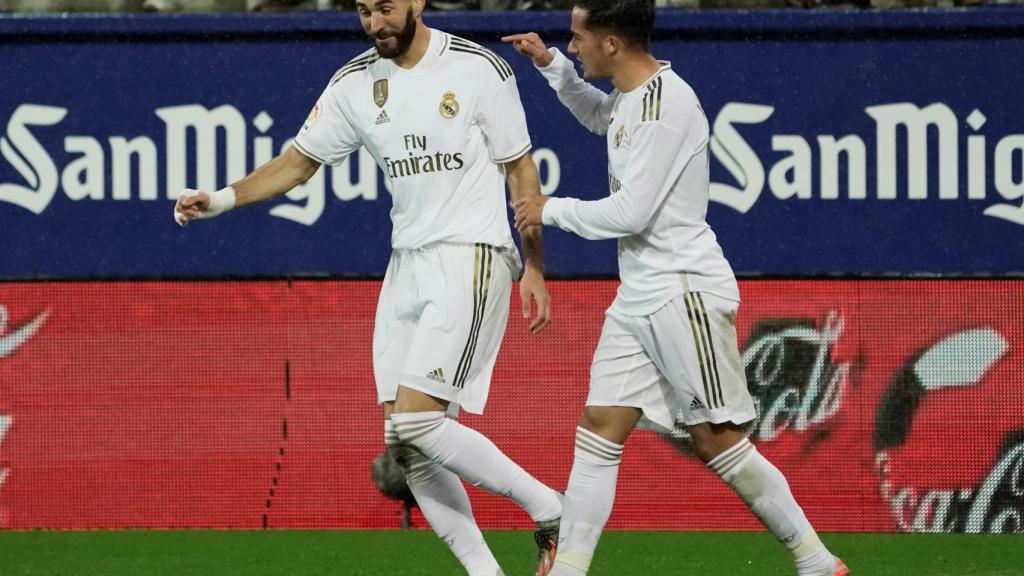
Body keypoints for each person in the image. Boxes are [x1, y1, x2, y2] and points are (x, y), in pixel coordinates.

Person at [174, 0, 563, 574]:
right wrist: (222, 200)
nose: (375, 23)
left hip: (472, 253)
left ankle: (552, 509)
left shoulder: (479, 68)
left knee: (415, 422)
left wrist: (535, 265)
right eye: (363, 11)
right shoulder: (354, 83)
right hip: (405, 264)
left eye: (385, 8)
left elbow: (520, 170)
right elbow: (298, 163)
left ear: (417, 4)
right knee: (408, 443)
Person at [502, 2, 849, 575]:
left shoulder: (668, 104)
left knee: (720, 443)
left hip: (682, 292)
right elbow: (601, 118)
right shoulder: (635, 99)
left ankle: (815, 562)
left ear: (611, 43)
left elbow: (632, 212)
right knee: (598, 430)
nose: (572, 45)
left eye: (576, 37)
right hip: (639, 295)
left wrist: (550, 209)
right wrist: (552, 69)